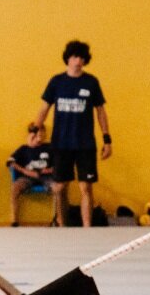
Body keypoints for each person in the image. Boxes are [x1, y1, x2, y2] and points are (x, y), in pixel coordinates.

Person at [30, 39, 112, 228]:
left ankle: (86, 227)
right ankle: (61, 224)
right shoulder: (56, 82)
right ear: (68, 59)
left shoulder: (91, 82)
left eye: (82, 58)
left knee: (86, 186)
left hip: (85, 144)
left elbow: (101, 111)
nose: (78, 61)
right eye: (75, 57)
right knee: (59, 187)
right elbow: (44, 108)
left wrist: (107, 139)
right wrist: (34, 130)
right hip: (61, 143)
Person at [6, 122, 58, 226]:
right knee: (15, 188)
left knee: (58, 189)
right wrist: (25, 171)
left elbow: (60, 163)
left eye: (41, 132)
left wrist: (49, 170)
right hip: (28, 177)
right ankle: (14, 221)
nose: (39, 135)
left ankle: (56, 219)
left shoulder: (50, 147)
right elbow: (10, 162)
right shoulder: (24, 149)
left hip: (46, 176)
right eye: (36, 132)